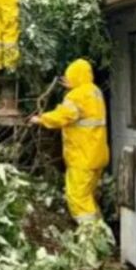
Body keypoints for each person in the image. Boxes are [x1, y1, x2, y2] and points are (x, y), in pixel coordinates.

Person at [31, 59, 109, 224]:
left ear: (78, 76)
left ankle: (91, 237)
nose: (66, 80)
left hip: (82, 157)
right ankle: (102, 234)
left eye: (69, 76)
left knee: (77, 198)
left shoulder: (76, 95)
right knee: (88, 197)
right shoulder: (95, 91)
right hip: (97, 154)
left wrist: (40, 119)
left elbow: (63, 116)